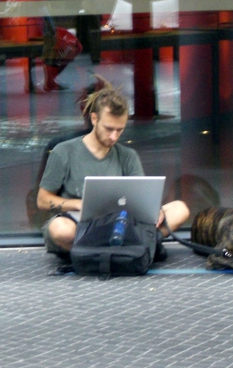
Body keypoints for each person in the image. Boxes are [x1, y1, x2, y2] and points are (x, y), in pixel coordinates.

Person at [37, 80, 190, 257]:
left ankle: (100, 251)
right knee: (60, 230)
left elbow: (141, 197)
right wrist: (80, 204)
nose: (113, 136)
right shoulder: (63, 151)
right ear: (94, 119)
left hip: (120, 221)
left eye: (119, 130)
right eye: (108, 128)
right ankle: (134, 248)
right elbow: (42, 200)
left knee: (180, 209)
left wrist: (154, 210)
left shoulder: (127, 155)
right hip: (79, 222)